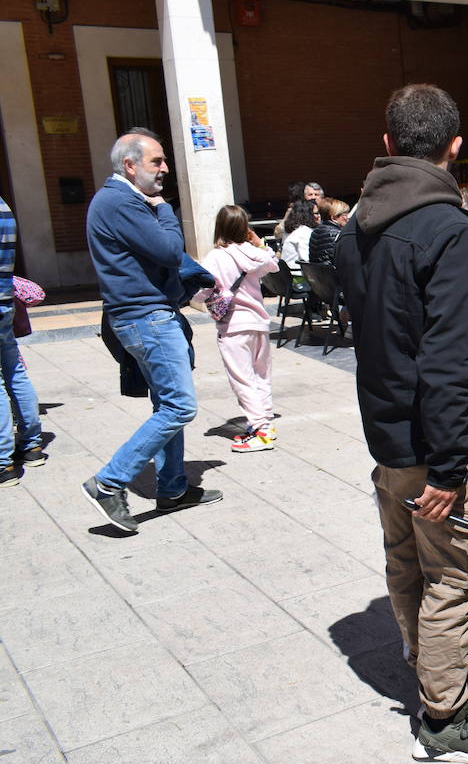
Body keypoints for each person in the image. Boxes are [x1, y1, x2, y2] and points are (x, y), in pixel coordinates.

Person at [335, 84, 468, 764]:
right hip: (441, 442)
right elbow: (448, 358)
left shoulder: (357, 225)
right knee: (454, 574)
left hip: (389, 436)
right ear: (455, 148)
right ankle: (443, 717)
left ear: (388, 144)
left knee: (409, 561)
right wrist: (447, 465)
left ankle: (435, 673)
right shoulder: (450, 229)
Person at [81, 128, 222, 534]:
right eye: (156, 161)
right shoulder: (121, 201)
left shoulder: (118, 200)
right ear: (129, 165)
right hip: (147, 318)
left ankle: (173, 488)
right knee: (179, 407)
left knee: (166, 405)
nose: (165, 169)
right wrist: (164, 210)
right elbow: (169, 251)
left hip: (146, 316)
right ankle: (109, 482)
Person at [202, 205, 279, 453]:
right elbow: (273, 263)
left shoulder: (215, 257)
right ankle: (264, 423)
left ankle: (260, 429)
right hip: (259, 322)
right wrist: (257, 242)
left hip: (233, 325)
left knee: (242, 380)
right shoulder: (254, 254)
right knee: (261, 375)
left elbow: (199, 291)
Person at [0, 194, 45, 487]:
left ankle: (3, 461)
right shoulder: (4, 207)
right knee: (15, 371)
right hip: (5, 301)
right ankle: (32, 445)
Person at [278, 199, 318, 273]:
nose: (319, 216)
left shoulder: (300, 230)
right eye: (316, 213)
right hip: (298, 276)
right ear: (307, 215)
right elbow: (306, 260)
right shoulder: (304, 233)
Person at [308, 196, 349, 266]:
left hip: (318, 272)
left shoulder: (315, 232)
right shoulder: (339, 235)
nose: (347, 217)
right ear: (334, 218)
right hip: (335, 272)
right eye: (344, 214)